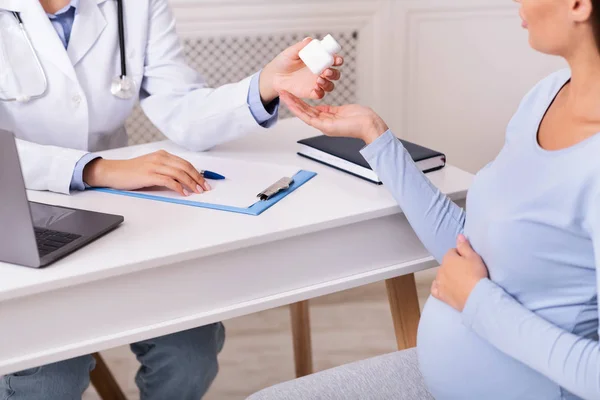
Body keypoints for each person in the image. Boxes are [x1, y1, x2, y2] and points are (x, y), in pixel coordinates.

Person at [249, 0, 600, 399]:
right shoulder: (547, 96)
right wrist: (375, 135)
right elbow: (468, 249)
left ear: (578, 5)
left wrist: (477, 302)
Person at [0, 0, 343, 399]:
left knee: (191, 350)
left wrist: (266, 84)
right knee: (50, 376)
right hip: (14, 214)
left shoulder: (136, 5)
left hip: (112, 215)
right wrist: (94, 168)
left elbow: (181, 108)